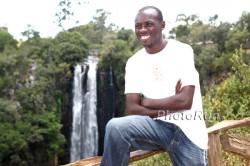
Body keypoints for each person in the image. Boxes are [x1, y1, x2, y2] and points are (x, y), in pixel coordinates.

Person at [100, 6, 208, 166]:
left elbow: (185, 101)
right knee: (115, 127)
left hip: (188, 131)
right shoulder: (134, 63)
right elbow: (132, 108)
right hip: (155, 128)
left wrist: (147, 101)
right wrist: (173, 105)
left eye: (149, 24)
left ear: (162, 25)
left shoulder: (182, 51)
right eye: (138, 26)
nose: (142, 30)